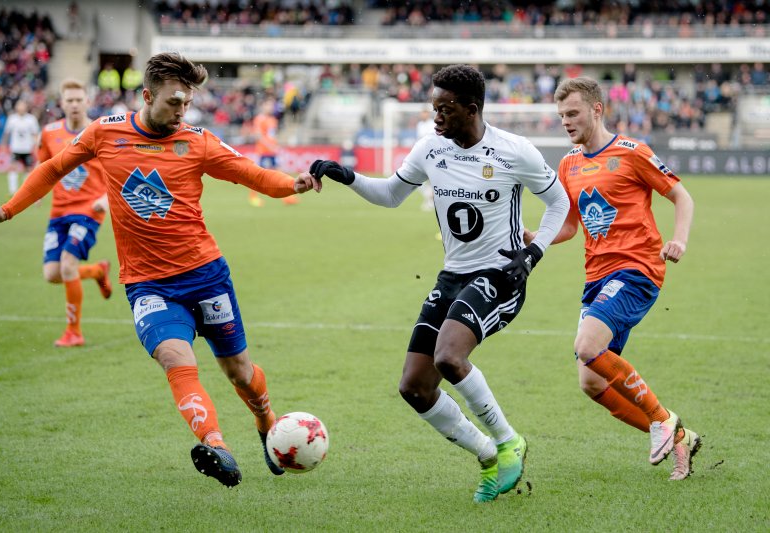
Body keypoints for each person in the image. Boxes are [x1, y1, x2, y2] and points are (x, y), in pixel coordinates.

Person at [0, 52, 321, 487]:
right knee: (176, 358)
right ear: (147, 95)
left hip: (206, 275)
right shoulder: (104, 133)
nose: (181, 111)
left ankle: (267, 422)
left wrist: (294, 182)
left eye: (187, 103)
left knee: (240, 372)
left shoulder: (198, 141)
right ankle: (217, 445)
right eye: (174, 102)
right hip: (148, 283)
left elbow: (253, 175)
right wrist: (7, 210)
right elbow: (53, 167)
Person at [309, 64, 569, 503]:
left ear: (472, 109)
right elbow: (390, 195)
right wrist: (346, 176)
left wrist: (535, 251)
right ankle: (487, 454)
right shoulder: (431, 149)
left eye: (445, 109)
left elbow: (558, 200)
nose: (436, 117)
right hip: (451, 276)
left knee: (449, 356)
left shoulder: (513, 150)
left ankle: (509, 441)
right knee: (414, 386)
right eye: (434, 108)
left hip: (501, 274)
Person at [538, 77, 699, 481]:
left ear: (597, 109)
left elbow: (682, 195)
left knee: (587, 345)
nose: (566, 122)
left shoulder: (632, 152)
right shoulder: (569, 163)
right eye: (561, 116)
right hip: (596, 277)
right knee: (591, 382)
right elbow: (572, 226)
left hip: (637, 268)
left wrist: (678, 239)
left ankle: (663, 418)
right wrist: (533, 237)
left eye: (572, 113)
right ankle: (678, 435)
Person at [37, 78, 112, 347]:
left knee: (68, 262)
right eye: (69, 100)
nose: (75, 104)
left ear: (88, 101)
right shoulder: (49, 133)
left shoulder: (101, 131)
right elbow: (43, 167)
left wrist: (106, 197)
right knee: (53, 274)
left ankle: (74, 332)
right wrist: (35, 193)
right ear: (61, 103)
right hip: (59, 211)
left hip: (89, 209)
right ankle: (96, 272)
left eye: (79, 99)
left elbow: (119, 170)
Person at [249, 98, 298, 207]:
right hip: (264, 152)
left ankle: (287, 196)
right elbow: (258, 135)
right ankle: (253, 197)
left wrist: (276, 145)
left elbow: (272, 136)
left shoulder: (273, 120)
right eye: (268, 105)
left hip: (272, 152)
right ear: (263, 106)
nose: (270, 107)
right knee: (258, 176)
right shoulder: (259, 119)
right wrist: (270, 146)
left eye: (272, 105)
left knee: (281, 173)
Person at [1, 100, 40, 195]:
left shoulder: (31, 119)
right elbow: (7, 133)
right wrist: (3, 144)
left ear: (26, 107)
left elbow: (35, 134)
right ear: (16, 107)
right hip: (15, 148)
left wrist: (37, 145)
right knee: (13, 168)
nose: (21, 108)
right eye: (19, 106)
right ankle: (13, 191)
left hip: (27, 149)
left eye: (23, 106)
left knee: (28, 170)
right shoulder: (12, 119)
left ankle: (26, 190)